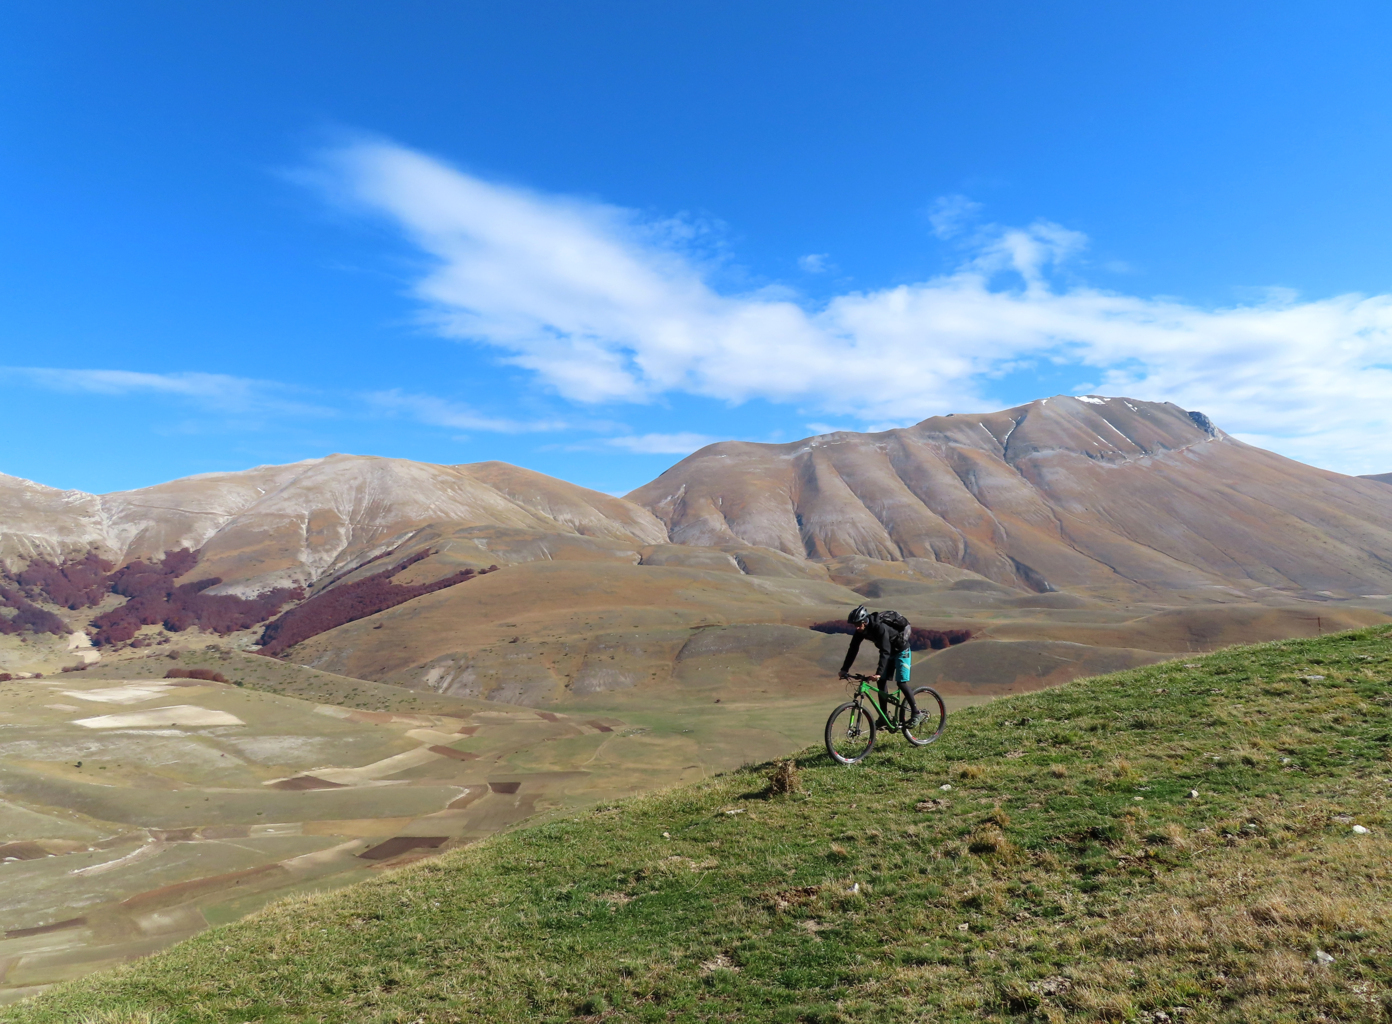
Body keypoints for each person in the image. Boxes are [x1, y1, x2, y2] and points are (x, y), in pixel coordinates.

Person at [838, 604, 926, 728]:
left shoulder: (879, 627)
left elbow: (884, 651)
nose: (856, 627)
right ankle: (884, 717)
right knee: (881, 683)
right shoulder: (860, 631)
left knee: (901, 683)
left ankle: (917, 713)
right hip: (889, 653)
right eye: (854, 625)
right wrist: (844, 669)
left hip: (901, 651)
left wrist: (878, 672)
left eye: (858, 624)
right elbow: (853, 649)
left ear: (865, 621)